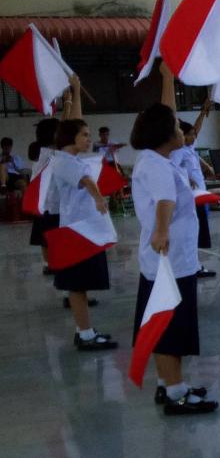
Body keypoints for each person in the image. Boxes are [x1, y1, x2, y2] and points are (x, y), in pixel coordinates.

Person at [130, 94, 218, 414]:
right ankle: (176, 393)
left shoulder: (155, 161)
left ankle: (168, 383)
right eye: (177, 127)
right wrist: (162, 231)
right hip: (169, 259)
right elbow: (165, 201)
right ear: (164, 134)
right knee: (170, 326)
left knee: (161, 322)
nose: (183, 131)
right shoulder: (156, 165)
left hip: (166, 258)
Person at [50, 76, 118, 351]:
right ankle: (85, 333)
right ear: (71, 138)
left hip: (83, 229)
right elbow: (87, 181)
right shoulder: (64, 162)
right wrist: (100, 200)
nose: (89, 139)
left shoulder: (72, 158)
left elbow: (74, 120)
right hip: (76, 231)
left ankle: (86, 330)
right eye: (85, 135)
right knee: (77, 287)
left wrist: (76, 90)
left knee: (81, 286)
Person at [168, 86, 219, 279]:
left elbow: (197, 127)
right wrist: (187, 179)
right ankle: (193, 266)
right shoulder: (178, 151)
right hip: (191, 197)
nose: (194, 136)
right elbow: (173, 169)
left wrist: (205, 109)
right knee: (192, 233)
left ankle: (194, 264)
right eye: (190, 134)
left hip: (200, 197)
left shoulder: (190, 147)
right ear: (183, 135)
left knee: (197, 232)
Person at [28, 117, 63, 277]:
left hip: (45, 205)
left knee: (45, 237)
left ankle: (49, 264)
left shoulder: (44, 153)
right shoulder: (52, 155)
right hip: (52, 206)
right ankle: (52, 264)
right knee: (49, 238)